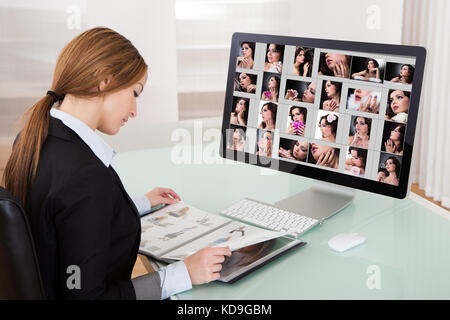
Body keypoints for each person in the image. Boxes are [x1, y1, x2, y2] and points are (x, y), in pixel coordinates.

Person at [2, 27, 231, 300]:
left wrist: (139, 203)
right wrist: (183, 273)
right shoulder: (85, 176)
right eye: (135, 93)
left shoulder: (36, 137)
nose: (134, 111)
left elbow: (65, 223)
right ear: (104, 80)